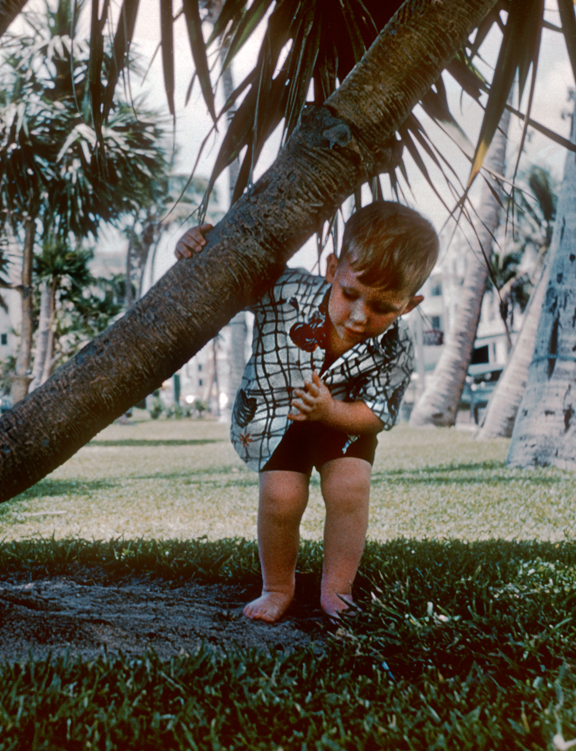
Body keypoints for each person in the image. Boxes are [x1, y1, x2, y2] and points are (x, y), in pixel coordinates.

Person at [174, 201, 439, 622]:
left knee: (350, 488)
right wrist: (197, 245)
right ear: (333, 268)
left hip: (344, 417)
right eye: (350, 294)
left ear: (409, 305)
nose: (358, 317)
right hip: (281, 414)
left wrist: (331, 411)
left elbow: (376, 413)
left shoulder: (397, 346)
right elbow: (229, 278)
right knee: (281, 496)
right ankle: (277, 587)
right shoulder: (288, 291)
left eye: (382, 308)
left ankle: (337, 590)